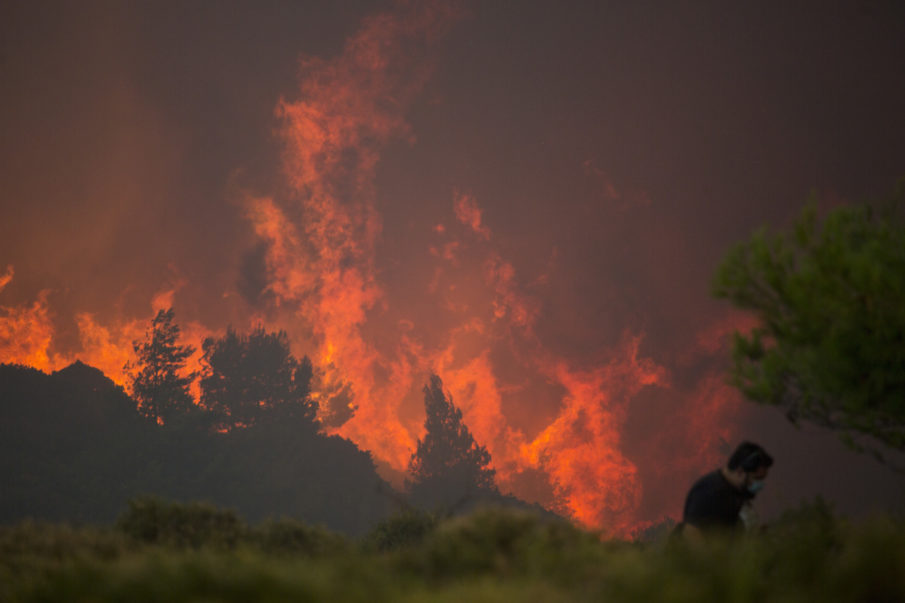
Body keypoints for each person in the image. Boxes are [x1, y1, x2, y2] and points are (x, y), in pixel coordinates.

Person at [678, 441, 773, 542]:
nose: (759, 484)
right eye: (756, 478)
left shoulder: (735, 492)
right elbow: (691, 532)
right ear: (740, 472)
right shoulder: (708, 491)